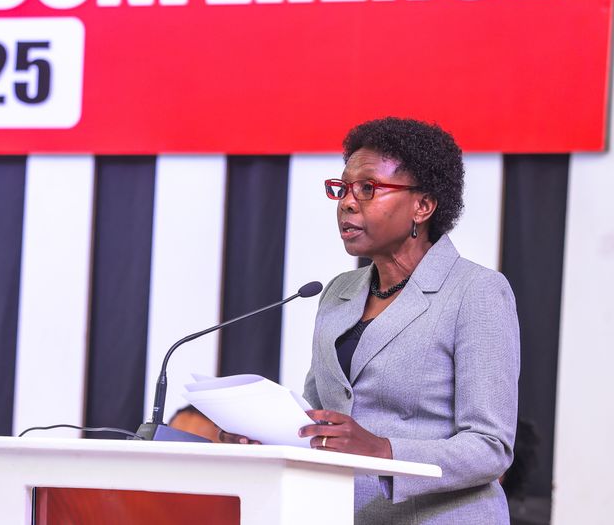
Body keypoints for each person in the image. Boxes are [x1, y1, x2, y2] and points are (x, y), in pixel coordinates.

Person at [221, 117, 520, 524]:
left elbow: (490, 448)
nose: (347, 202)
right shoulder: (337, 292)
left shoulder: (476, 291)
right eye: (342, 188)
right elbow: (320, 416)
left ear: (423, 206)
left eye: (368, 188)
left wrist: (383, 450)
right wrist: (266, 437)